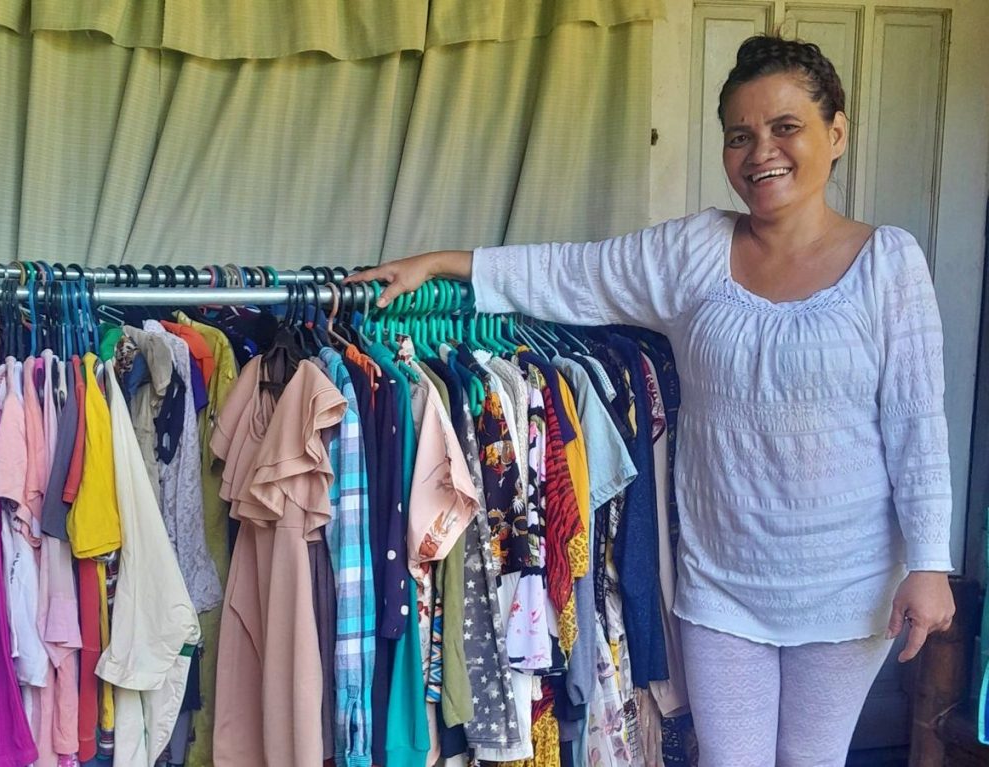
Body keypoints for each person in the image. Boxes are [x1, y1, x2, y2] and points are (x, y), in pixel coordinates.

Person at [347, 35, 956, 766]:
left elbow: (918, 425)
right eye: (740, 135)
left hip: (847, 584)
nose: (761, 151)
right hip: (722, 586)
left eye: (785, 127)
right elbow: (573, 273)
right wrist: (446, 264)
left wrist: (928, 561)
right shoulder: (695, 251)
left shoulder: (888, 264)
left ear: (837, 133)